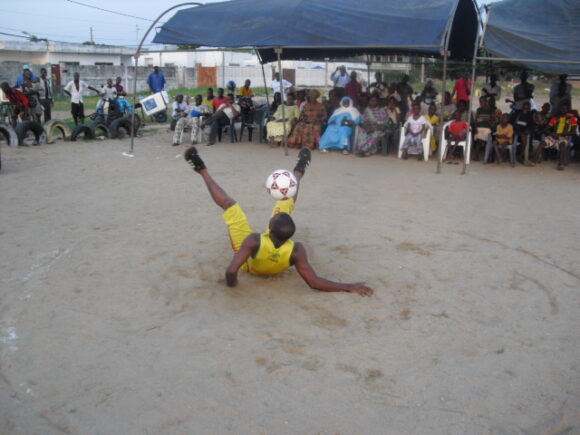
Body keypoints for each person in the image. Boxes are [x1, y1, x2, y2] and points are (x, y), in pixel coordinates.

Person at [184, 146, 373, 296]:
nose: (274, 214)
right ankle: (298, 172)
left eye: (274, 217)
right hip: (273, 260)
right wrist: (349, 286)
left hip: (249, 267)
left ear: (269, 228)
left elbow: (231, 271)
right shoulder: (297, 250)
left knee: (230, 206)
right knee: (286, 201)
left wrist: (229, 284)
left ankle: (202, 171)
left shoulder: (254, 241)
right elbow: (315, 282)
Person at [535, 103, 577, 170]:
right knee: (542, 143)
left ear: (567, 110)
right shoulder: (556, 118)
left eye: (565, 109)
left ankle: (560, 164)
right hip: (553, 136)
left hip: (563, 137)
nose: (563, 110)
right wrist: (551, 134)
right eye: (562, 108)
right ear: (560, 109)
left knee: (562, 145)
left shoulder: (572, 118)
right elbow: (547, 128)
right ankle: (535, 160)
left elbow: (573, 132)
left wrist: (561, 134)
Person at [512, 101, 535, 166]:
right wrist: (515, 129)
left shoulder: (529, 116)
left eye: (527, 108)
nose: (525, 109)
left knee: (524, 140)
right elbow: (512, 122)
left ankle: (520, 156)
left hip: (523, 131)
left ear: (529, 109)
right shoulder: (517, 114)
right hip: (516, 130)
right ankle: (514, 155)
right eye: (524, 108)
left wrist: (527, 130)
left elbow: (531, 126)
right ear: (522, 108)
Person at [472, 96, 493, 161]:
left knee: (483, 138)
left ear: (486, 102)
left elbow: (492, 120)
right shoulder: (478, 110)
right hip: (479, 127)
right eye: (480, 102)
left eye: (483, 101)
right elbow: (475, 120)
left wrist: (485, 119)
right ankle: (476, 155)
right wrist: (475, 128)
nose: (481, 103)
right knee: (478, 140)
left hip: (487, 128)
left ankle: (486, 156)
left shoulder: (490, 110)